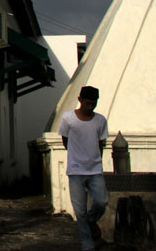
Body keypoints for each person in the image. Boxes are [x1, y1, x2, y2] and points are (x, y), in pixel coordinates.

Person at [58, 85, 109, 250]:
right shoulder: (68, 118)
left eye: (93, 103)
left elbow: (101, 143)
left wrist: (94, 159)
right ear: (80, 100)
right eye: (87, 103)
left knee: (101, 201)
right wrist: (76, 156)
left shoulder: (100, 120)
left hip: (95, 170)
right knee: (79, 210)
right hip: (75, 170)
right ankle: (87, 242)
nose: (90, 106)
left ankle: (91, 221)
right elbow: (65, 141)